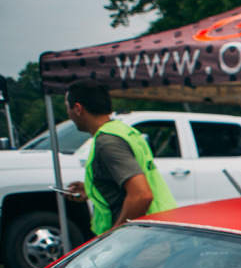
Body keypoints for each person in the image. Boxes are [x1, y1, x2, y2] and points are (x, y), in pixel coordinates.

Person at [63, 79, 177, 235]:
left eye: (67, 107)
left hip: (143, 237)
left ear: (77, 108)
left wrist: (115, 236)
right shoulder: (122, 130)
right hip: (157, 227)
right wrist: (91, 190)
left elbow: (141, 195)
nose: (67, 113)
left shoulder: (108, 142)